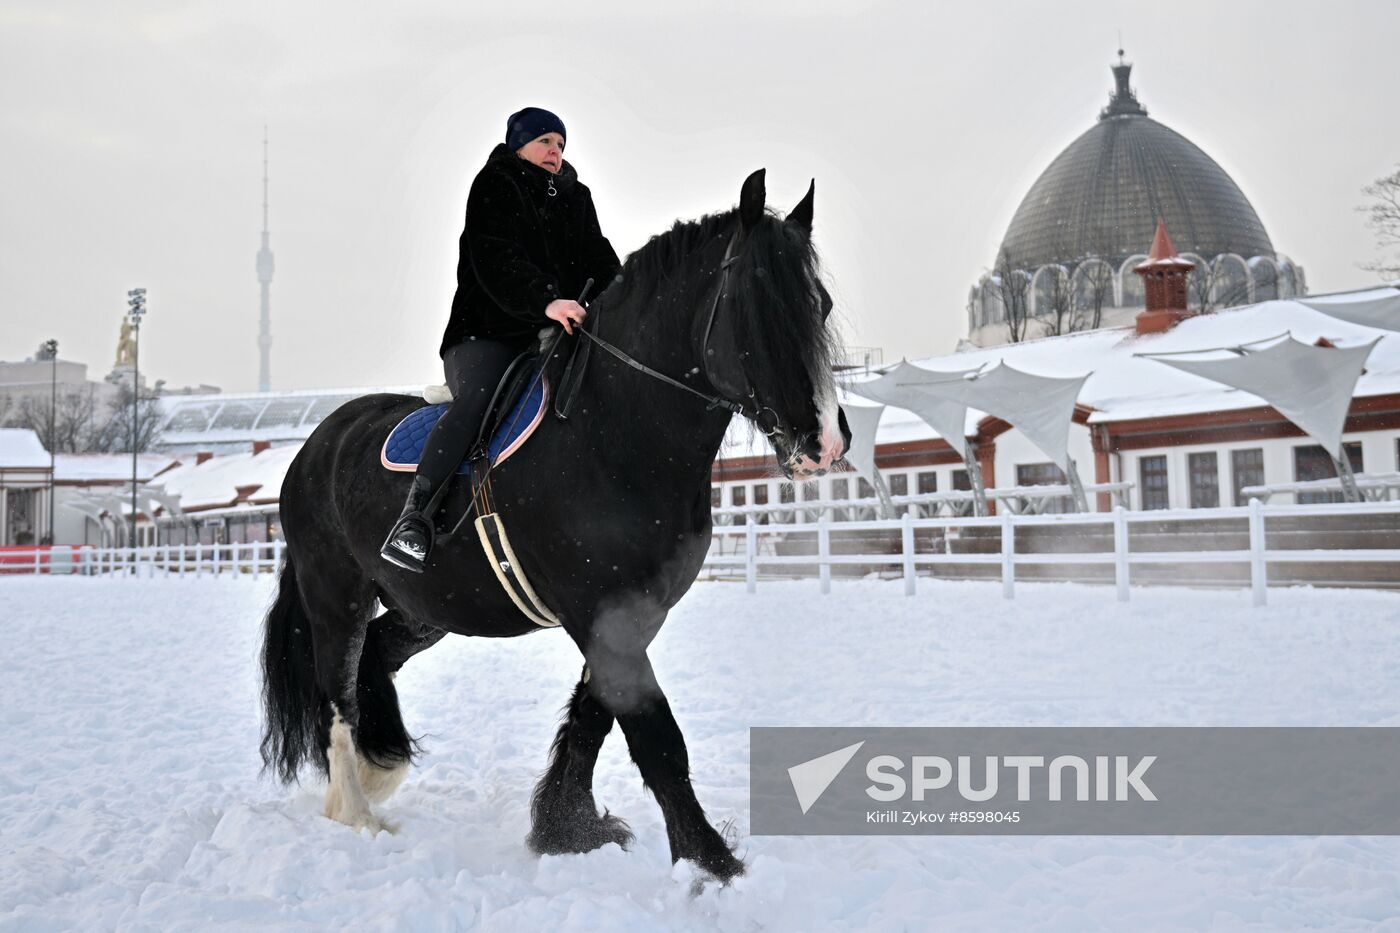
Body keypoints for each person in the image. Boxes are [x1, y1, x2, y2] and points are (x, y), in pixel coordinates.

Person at [381, 107, 621, 571]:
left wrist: (626, 299)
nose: (555, 152)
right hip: (487, 333)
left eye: (561, 145)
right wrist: (547, 301)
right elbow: (496, 260)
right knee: (478, 401)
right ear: (519, 144)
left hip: (558, 333)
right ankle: (415, 521)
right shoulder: (495, 184)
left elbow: (600, 261)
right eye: (545, 142)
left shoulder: (576, 197)